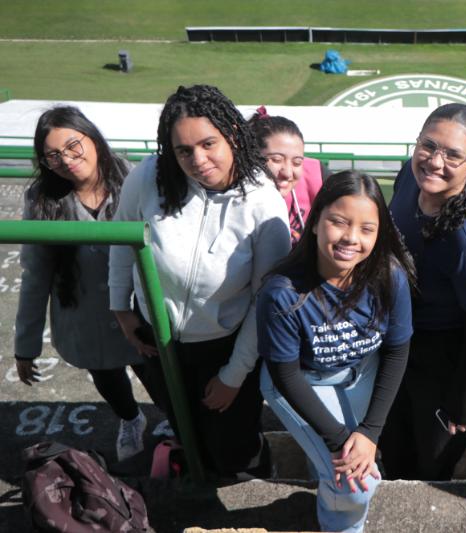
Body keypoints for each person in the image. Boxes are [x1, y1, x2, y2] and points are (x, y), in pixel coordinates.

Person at [109, 85, 291, 477]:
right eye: (183, 151)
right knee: (183, 424)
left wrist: (233, 375)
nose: (198, 160)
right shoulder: (148, 176)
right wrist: (122, 310)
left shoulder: (263, 203)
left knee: (233, 443)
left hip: (224, 347)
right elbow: (122, 238)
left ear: (234, 135)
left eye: (209, 143)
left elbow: (266, 302)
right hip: (158, 341)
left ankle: (252, 474)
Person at [258, 171, 414, 533]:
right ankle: (341, 527)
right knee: (357, 485)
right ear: (315, 223)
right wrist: (342, 440)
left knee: (347, 459)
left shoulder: (390, 275)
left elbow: (396, 351)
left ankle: (322, 467)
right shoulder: (282, 292)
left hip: (361, 370)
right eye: (339, 222)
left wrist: (370, 432)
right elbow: (286, 375)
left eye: (366, 229)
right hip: (303, 381)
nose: (351, 238)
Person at [15, 105, 149, 462]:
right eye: (53, 155)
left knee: (162, 380)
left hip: (140, 309)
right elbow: (35, 273)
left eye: (73, 145)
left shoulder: (133, 178)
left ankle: (186, 440)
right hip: (83, 312)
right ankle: (131, 419)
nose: (67, 160)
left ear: (91, 137)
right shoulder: (42, 199)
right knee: (107, 375)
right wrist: (25, 345)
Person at [379, 103, 466, 480]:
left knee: (432, 463)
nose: (435, 161)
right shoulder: (408, 177)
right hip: (398, 338)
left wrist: (462, 399)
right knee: (392, 448)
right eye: (428, 146)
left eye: (453, 154)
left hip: (445, 359)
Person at [248, 106, 329, 246]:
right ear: (251, 155)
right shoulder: (230, 196)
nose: (287, 173)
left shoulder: (318, 176)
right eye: (276, 160)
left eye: (297, 162)